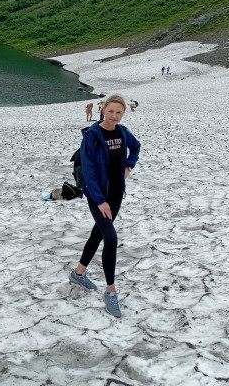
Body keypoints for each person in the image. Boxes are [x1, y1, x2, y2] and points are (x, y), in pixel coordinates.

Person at [69, 95, 141, 318]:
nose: (114, 116)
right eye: (111, 112)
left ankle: (78, 273)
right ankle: (111, 291)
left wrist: (129, 166)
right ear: (104, 110)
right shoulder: (92, 136)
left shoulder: (122, 132)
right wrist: (100, 201)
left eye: (119, 113)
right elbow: (89, 171)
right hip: (98, 195)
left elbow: (136, 148)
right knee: (110, 238)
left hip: (117, 192)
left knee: (99, 233)